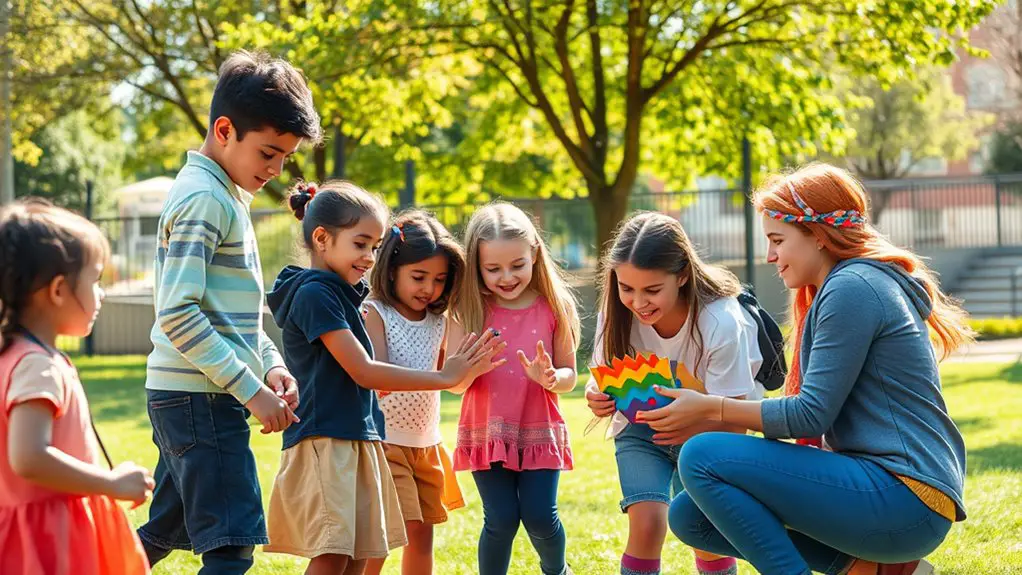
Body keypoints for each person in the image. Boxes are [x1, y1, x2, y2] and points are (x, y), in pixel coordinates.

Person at [660, 163, 971, 575]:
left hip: (905, 495)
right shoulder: (849, 284)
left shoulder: (853, 287)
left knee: (701, 454)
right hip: (893, 494)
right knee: (689, 515)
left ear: (818, 236)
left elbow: (810, 414)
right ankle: (880, 570)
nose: (770, 255)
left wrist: (710, 408)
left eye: (777, 240)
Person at [138, 50, 321, 574]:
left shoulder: (225, 196)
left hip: (194, 395)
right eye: (268, 153)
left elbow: (233, 317)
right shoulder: (206, 200)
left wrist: (272, 365)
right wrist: (251, 390)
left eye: (284, 157)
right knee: (232, 543)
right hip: (199, 399)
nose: (276, 170)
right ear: (224, 130)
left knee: (164, 532)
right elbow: (178, 314)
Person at [265, 182, 505, 575]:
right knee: (333, 553)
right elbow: (364, 370)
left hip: (358, 436)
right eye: (361, 244)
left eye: (376, 247)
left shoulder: (343, 293)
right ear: (321, 238)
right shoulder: (315, 295)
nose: (370, 257)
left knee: (360, 552)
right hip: (326, 437)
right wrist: (444, 377)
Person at [585, 212, 762, 575]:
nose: (637, 302)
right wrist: (595, 395)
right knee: (647, 525)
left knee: (705, 534)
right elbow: (601, 375)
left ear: (682, 275)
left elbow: (736, 422)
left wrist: (691, 431)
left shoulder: (720, 320)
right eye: (626, 288)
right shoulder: (616, 312)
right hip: (640, 431)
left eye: (652, 290)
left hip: (708, 435)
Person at [0, 199, 153, 575]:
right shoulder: (36, 365)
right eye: (95, 280)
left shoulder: (17, 356)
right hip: (48, 540)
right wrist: (110, 483)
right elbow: (29, 457)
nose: (101, 294)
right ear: (57, 290)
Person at [451, 202, 580, 575]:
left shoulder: (555, 307)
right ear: (476, 265)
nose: (506, 277)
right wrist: (470, 369)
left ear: (535, 254)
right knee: (501, 520)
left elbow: (570, 372)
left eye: (517, 265)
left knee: (541, 517)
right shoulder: (466, 310)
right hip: (487, 431)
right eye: (493, 269)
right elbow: (455, 385)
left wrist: (553, 378)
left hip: (538, 427)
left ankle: (557, 570)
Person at [362, 210, 468, 575]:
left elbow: (454, 381)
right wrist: (442, 376)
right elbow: (380, 377)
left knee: (422, 535)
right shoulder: (374, 312)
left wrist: (471, 368)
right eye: (418, 277)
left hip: (427, 445)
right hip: (387, 442)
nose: (429, 288)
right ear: (391, 269)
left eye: (440, 279)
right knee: (383, 538)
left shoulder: (441, 322)